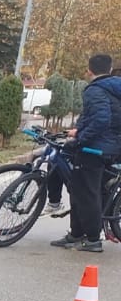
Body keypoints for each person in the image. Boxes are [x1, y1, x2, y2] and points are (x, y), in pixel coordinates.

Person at [52, 53, 121, 253]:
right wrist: (78, 129)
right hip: (113, 147)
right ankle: (76, 234)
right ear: (110, 69)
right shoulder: (114, 87)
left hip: (95, 148)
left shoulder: (95, 89)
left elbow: (101, 119)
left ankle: (92, 239)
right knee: (81, 189)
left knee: (86, 193)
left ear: (89, 70)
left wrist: (81, 136)